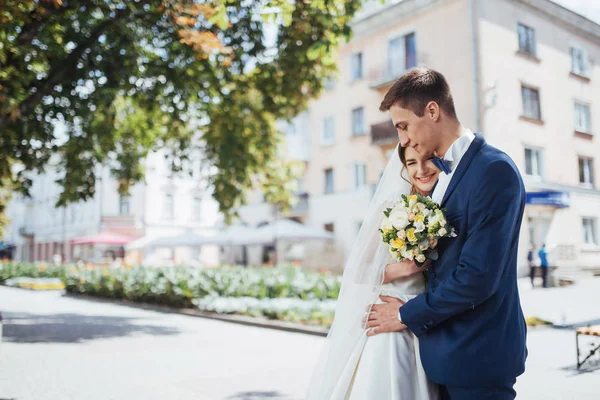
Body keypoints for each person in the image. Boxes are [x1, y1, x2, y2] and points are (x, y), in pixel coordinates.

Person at [365, 68, 527, 400]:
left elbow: (477, 277)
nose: (404, 140)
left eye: (404, 126)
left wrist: (404, 314)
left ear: (433, 111)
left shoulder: (493, 170)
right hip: (443, 357)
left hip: (479, 358)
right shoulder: (439, 178)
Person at [306, 143, 440, 399]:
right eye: (411, 163)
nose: (420, 169)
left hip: (424, 316)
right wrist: (404, 268)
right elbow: (358, 270)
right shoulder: (391, 208)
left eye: (427, 160)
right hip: (389, 315)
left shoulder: (443, 205)